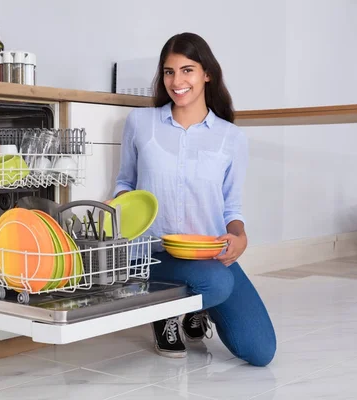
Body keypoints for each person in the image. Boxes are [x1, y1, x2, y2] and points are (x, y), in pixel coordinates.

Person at [112, 32, 276, 366]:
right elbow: (124, 183)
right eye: (169, 71)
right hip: (152, 254)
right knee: (215, 282)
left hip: (210, 253)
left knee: (260, 351)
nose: (177, 80)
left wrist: (240, 236)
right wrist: (124, 215)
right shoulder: (141, 123)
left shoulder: (230, 137)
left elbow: (231, 205)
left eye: (187, 70)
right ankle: (166, 314)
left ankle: (190, 309)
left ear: (207, 74)